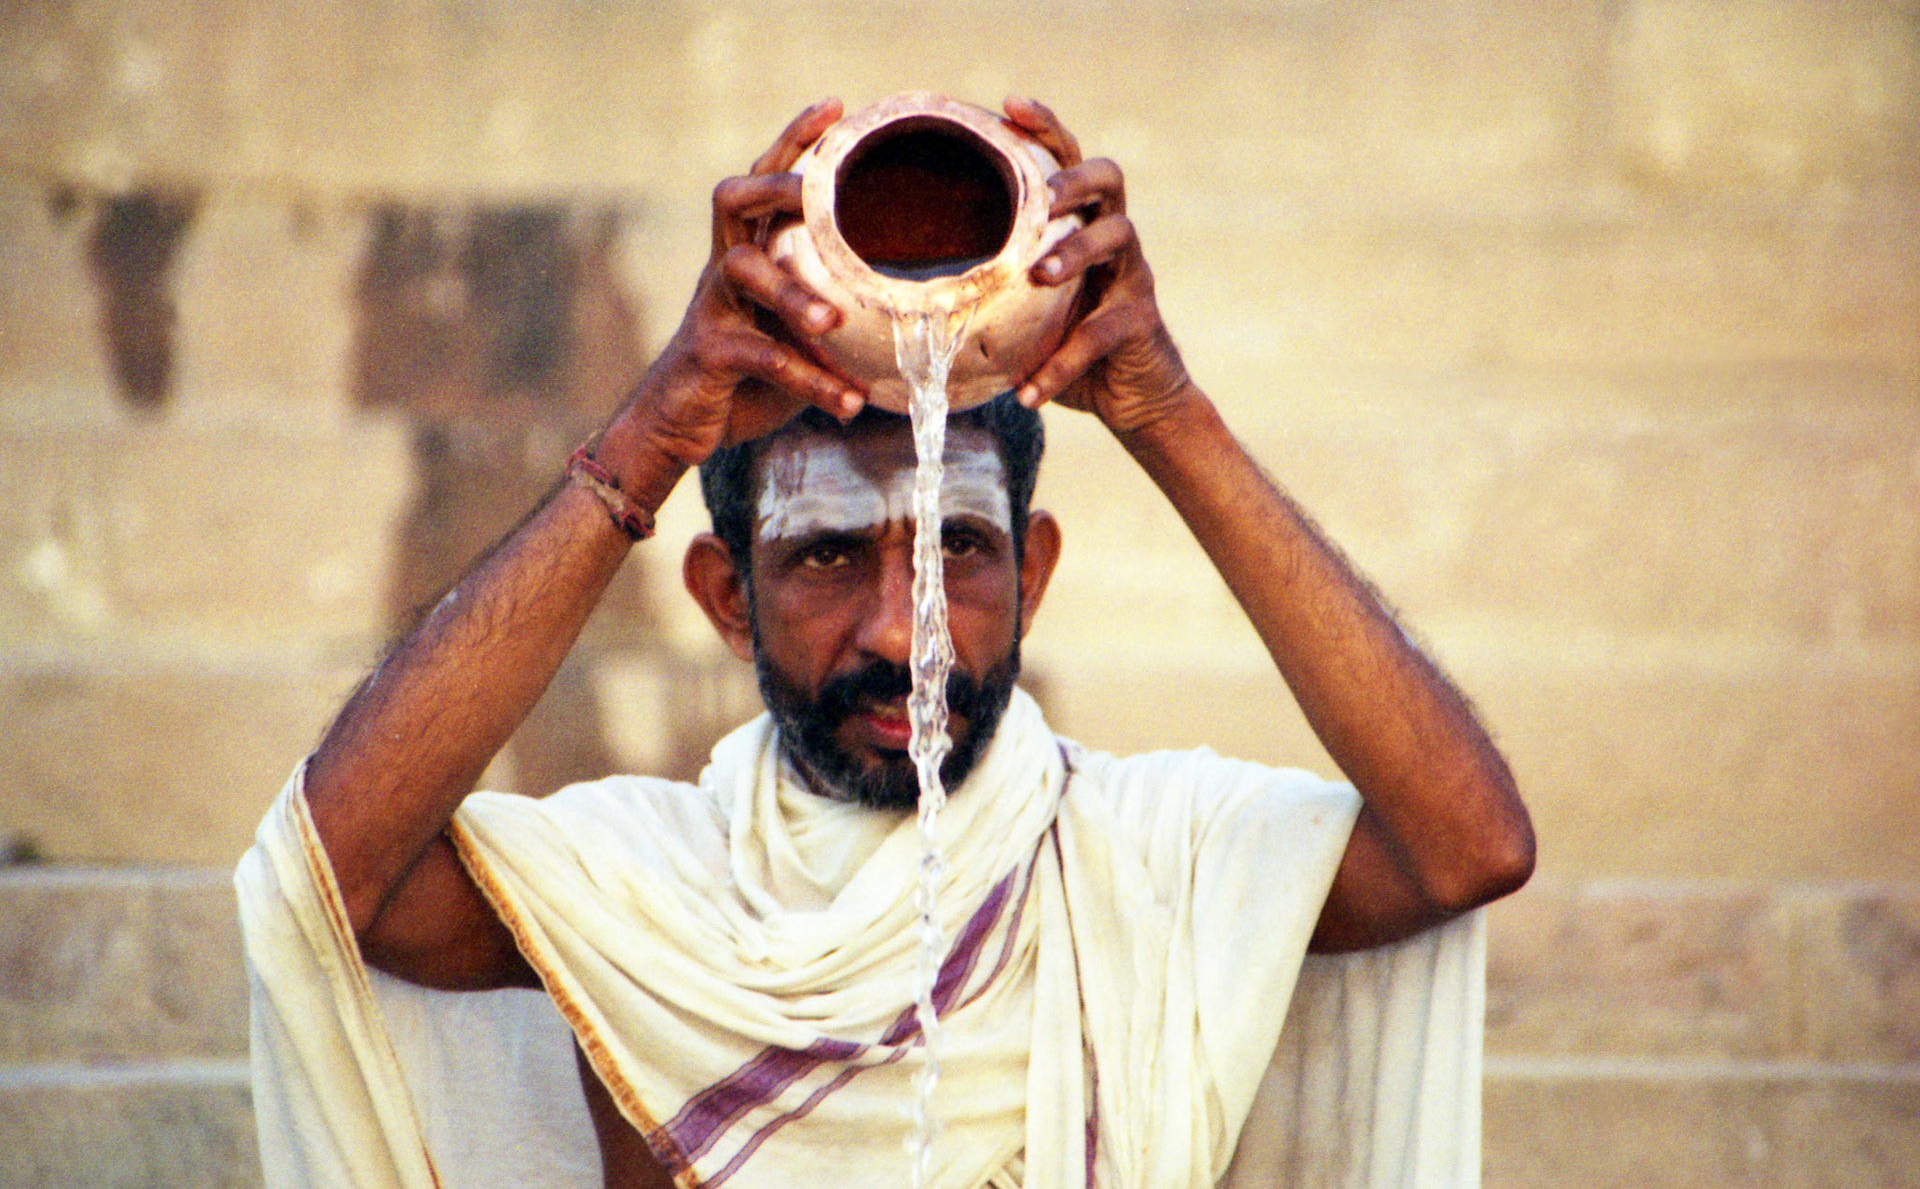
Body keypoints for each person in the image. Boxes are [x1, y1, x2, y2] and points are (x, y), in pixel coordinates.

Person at [238, 98, 1534, 1189]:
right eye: (826, 555)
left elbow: (1469, 848)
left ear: (1034, 573)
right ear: (725, 596)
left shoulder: (1151, 862)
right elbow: (334, 880)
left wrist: (1167, 411)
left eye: (959, 551)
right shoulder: (634, 892)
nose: (899, 628)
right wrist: (645, 440)